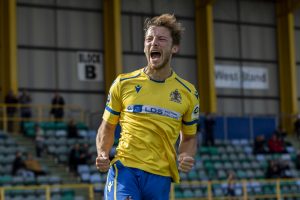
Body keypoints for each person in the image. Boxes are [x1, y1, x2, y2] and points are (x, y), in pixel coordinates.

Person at [95, 14, 199, 199]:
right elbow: (108, 126)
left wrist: (185, 155)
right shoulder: (123, 83)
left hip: (161, 177)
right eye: (149, 39)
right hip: (125, 170)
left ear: (174, 47)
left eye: (161, 39)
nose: (154, 43)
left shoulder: (188, 93)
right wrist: (103, 153)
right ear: (144, 46)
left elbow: (189, 137)